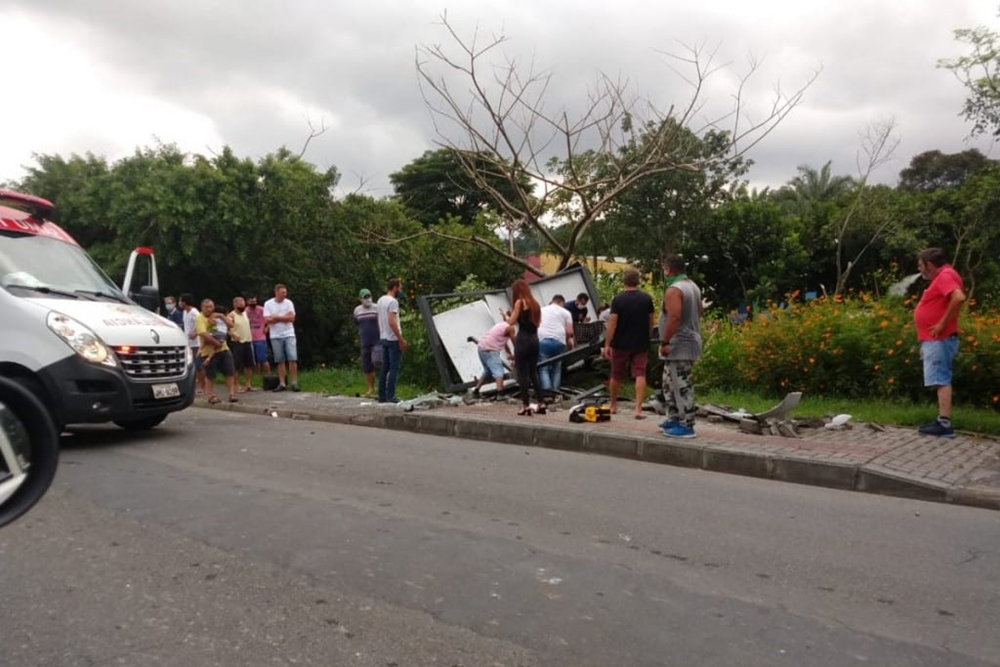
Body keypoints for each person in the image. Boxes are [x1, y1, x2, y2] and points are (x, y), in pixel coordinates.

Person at [914, 247, 966, 438]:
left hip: (940, 339)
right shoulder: (944, 275)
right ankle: (941, 421)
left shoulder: (944, 276)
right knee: (940, 379)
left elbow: (959, 297)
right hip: (934, 340)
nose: (919, 269)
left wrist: (941, 324)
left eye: (921, 265)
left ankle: (944, 424)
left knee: (941, 379)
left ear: (929, 265)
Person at [658, 255, 703, 438]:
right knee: (669, 383)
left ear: (668, 269)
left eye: (664, 269)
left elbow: (674, 316)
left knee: (680, 384)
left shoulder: (674, 289)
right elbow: (700, 310)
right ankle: (674, 417)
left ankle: (686, 424)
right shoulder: (692, 286)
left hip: (678, 345)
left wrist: (665, 341)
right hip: (688, 340)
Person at [602, 269, 655, 419]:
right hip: (640, 342)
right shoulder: (646, 299)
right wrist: (648, 336)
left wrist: (607, 344)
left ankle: (613, 406)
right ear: (638, 281)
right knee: (640, 373)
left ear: (624, 282)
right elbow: (651, 321)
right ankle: (638, 409)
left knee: (616, 374)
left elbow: (612, 323)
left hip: (620, 343)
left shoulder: (618, 300)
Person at [505, 279, 545, 416]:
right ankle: (541, 403)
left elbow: (511, 322)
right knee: (534, 372)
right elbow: (537, 324)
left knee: (523, 374)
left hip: (523, 340)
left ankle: (525, 405)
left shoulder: (519, 302)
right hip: (535, 340)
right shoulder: (536, 304)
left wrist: (506, 316)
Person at [196, 299, 238, 404]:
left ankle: (231, 394)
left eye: (211, 306)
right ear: (202, 308)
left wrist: (221, 316)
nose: (209, 309)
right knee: (210, 375)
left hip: (224, 348)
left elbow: (230, 325)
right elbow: (203, 334)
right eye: (206, 307)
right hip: (208, 350)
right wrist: (216, 343)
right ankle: (211, 395)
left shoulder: (217, 315)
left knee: (229, 371)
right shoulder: (199, 318)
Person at [377, 278, 409, 403]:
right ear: (395, 287)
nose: (400, 290)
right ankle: (391, 395)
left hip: (383, 336)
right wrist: (401, 339)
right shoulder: (393, 302)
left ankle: (382, 395)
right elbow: (392, 321)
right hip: (393, 338)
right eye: (400, 287)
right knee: (394, 368)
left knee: (384, 367)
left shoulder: (380, 300)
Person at [264, 283, 299, 392]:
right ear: (276, 292)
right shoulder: (268, 304)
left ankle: (294, 382)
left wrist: (276, 317)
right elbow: (266, 320)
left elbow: (292, 318)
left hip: (289, 333)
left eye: (285, 292)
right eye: (282, 292)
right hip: (275, 335)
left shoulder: (289, 303)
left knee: (292, 358)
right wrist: (284, 317)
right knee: (280, 360)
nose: (284, 294)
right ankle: (282, 383)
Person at [537, 294, 574, 396]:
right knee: (557, 368)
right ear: (562, 302)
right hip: (559, 341)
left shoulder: (541, 310)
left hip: (543, 340)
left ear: (552, 301)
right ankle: (556, 393)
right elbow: (570, 332)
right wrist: (568, 343)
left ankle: (547, 394)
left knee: (543, 368)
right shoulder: (566, 312)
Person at [472, 320, 515, 397]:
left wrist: (510, 354)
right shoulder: (510, 328)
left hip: (481, 348)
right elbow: (515, 342)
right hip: (490, 349)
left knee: (487, 371)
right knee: (498, 371)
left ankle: (476, 391)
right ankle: (500, 394)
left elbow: (505, 344)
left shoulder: (501, 326)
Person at [354, 288, 379, 398]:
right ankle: (370, 387)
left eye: (369, 296)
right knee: (367, 365)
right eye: (365, 297)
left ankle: (382, 386)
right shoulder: (357, 310)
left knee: (377, 360)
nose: (367, 299)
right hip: (365, 340)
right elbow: (356, 323)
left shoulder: (376, 308)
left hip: (377, 340)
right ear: (360, 299)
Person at [228, 296, 255, 392]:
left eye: (243, 304)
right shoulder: (231, 315)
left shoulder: (245, 313)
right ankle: (236, 385)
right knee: (236, 365)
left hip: (247, 340)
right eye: (240, 304)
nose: (242, 306)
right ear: (235, 305)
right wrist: (234, 335)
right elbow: (227, 329)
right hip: (237, 343)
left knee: (248, 364)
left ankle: (248, 384)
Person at [180, 293, 204, 394]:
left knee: (198, 366)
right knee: (190, 365)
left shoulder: (195, 313)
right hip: (188, 343)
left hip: (196, 343)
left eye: (181, 301)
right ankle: (194, 384)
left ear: (184, 302)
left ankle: (202, 386)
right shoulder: (185, 312)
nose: (179, 303)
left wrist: (196, 333)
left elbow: (202, 326)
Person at [245, 295, 271, 381]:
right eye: (252, 302)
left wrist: (267, 327)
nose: (254, 303)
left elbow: (269, 319)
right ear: (247, 302)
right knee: (254, 360)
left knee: (263, 359)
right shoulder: (245, 311)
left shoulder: (262, 309)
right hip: (249, 338)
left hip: (260, 337)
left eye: (255, 301)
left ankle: (269, 376)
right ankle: (257, 378)